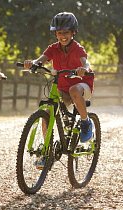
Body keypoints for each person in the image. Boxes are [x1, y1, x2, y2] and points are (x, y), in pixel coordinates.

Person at [23, 12, 94, 168]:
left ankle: (85, 121)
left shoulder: (77, 48)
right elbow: (41, 59)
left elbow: (86, 62)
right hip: (61, 86)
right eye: (60, 32)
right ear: (55, 33)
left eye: (66, 32)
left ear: (73, 32)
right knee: (47, 113)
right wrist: (32, 63)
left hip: (82, 84)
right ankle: (46, 152)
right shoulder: (53, 48)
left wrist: (84, 69)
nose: (63, 36)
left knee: (74, 90)